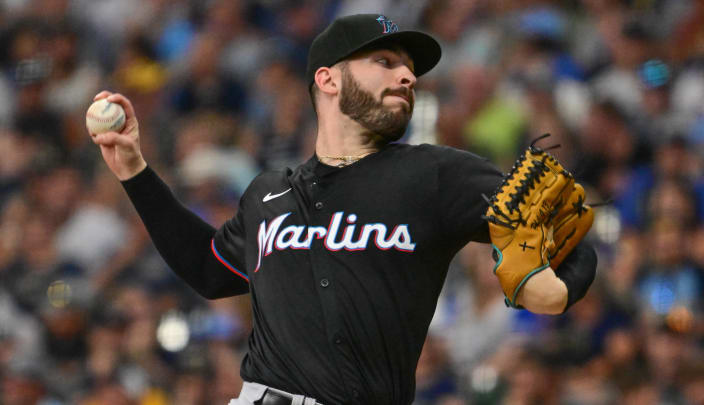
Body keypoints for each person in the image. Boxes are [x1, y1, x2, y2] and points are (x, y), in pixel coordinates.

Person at [88, 14, 597, 405]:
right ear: (328, 80)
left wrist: (560, 289)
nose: (407, 77)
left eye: (410, 69)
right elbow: (208, 269)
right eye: (386, 62)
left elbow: (569, 229)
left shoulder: (438, 175)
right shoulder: (269, 193)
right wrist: (134, 170)